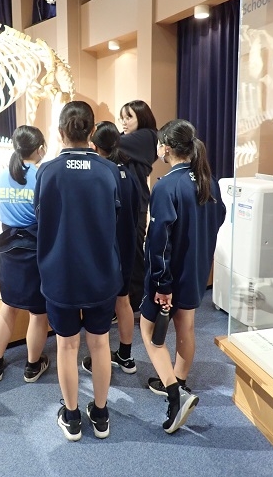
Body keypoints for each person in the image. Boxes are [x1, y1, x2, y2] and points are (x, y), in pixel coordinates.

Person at [34, 101, 123, 441]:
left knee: (67, 347)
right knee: (100, 344)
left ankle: (71, 417)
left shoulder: (47, 172)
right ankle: (100, 415)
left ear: (60, 133)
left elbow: (40, 218)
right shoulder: (108, 170)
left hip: (60, 275)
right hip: (101, 274)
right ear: (91, 132)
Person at [140, 119, 226, 434]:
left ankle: (175, 396)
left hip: (169, 276)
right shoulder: (208, 180)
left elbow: (158, 241)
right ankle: (178, 382)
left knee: (148, 330)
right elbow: (218, 219)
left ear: (165, 147)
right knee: (186, 326)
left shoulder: (165, 186)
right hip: (197, 270)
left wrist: (162, 284)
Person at [0, 125, 50, 384]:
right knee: (38, 313)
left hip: (8, 251)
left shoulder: (1, 176)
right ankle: (32, 367)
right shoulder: (42, 177)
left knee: (8, 307)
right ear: (40, 149)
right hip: (34, 252)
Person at [82, 121, 140, 375]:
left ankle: (100, 358)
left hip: (106, 251)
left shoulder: (102, 173)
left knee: (103, 306)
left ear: (95, 145)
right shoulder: (130, 173)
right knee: (123, 301)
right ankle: (126, 356)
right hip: (128, 245)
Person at [118, 100, 158, 314]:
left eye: (129, 117)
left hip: (136, 203)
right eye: (122, 117)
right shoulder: (126, 139)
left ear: (141, 117)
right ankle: (128, 303)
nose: (124, 122)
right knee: (126, 253)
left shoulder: (148, 136)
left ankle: (140, 303)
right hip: (125, 203)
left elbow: (108, 141)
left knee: (134, 253)